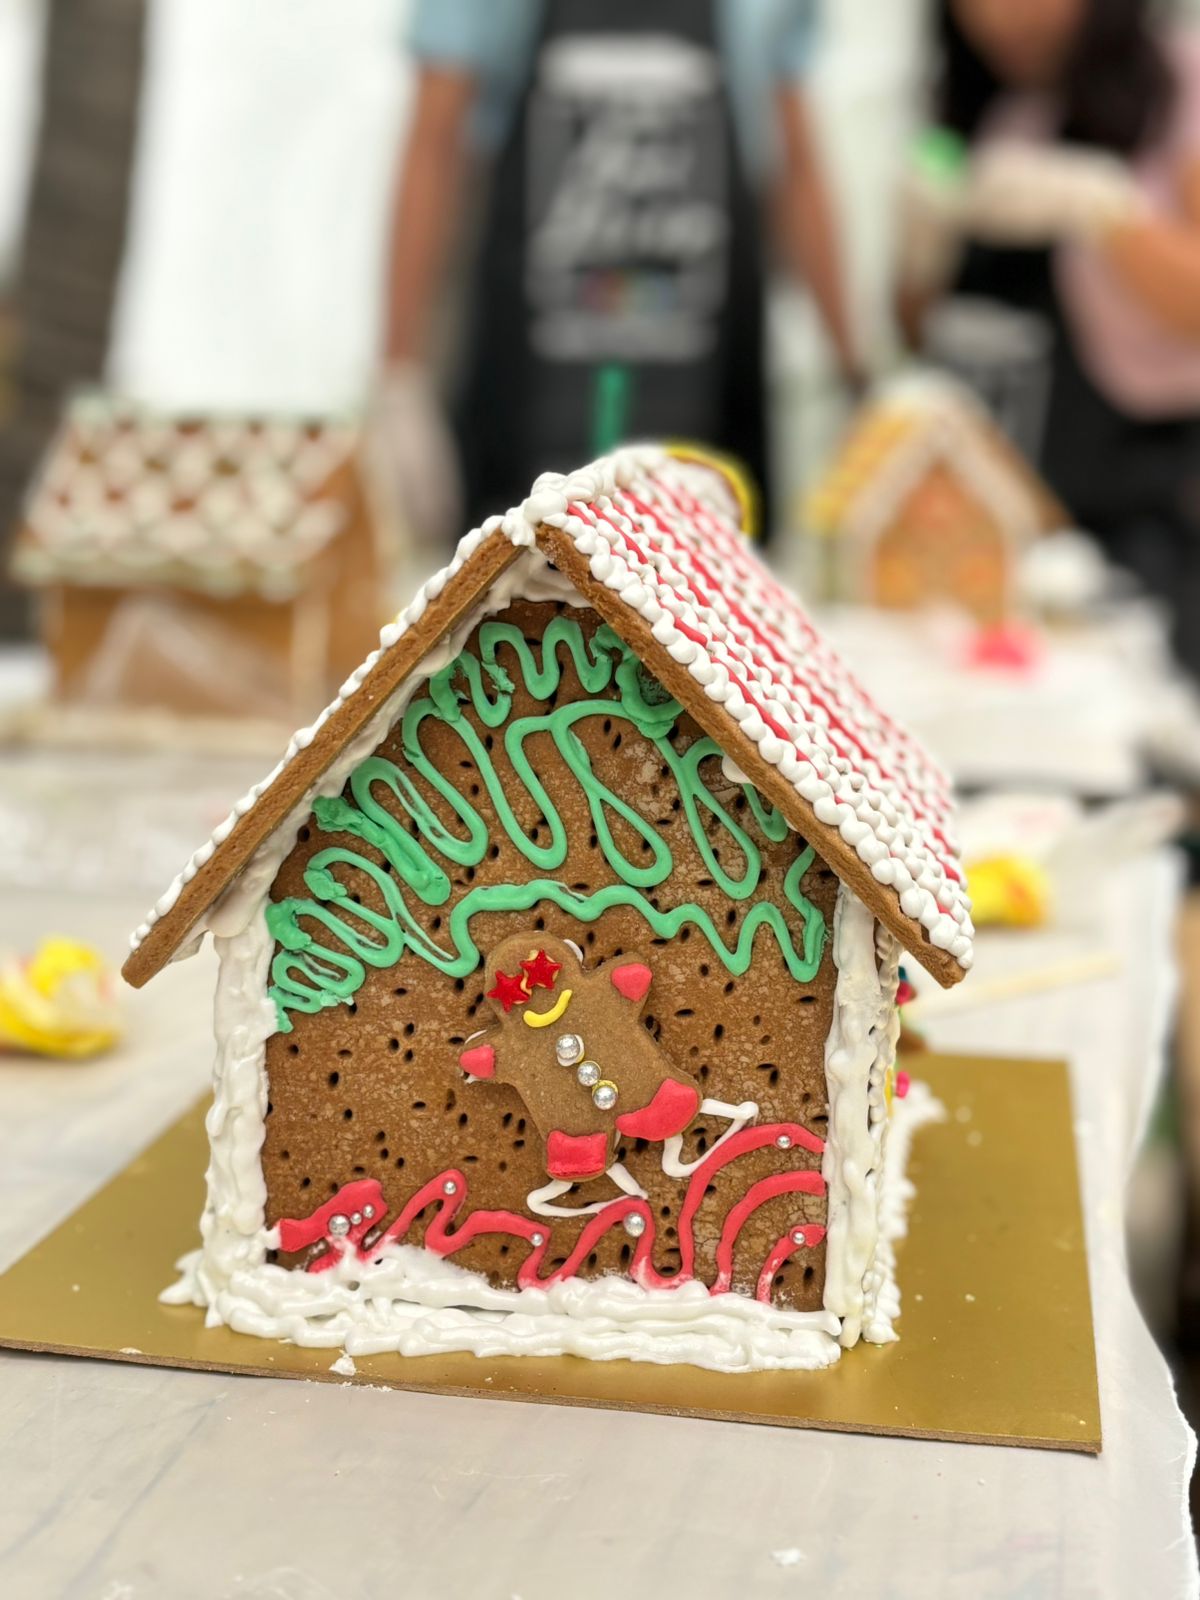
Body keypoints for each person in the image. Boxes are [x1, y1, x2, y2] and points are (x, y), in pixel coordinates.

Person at [371, 0, 862, 543]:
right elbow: (435, 145)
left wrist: (854, 378)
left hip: (705, 420)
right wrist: (400, 376)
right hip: (526, 412)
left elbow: (793, 164)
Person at [901, 0, 1200, 678]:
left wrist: (1111, 212)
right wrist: (918, 252)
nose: (1000, 17)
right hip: (979, 529)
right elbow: (918, 338)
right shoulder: (983, 106)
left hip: (1137, 511)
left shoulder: (1180, 82)